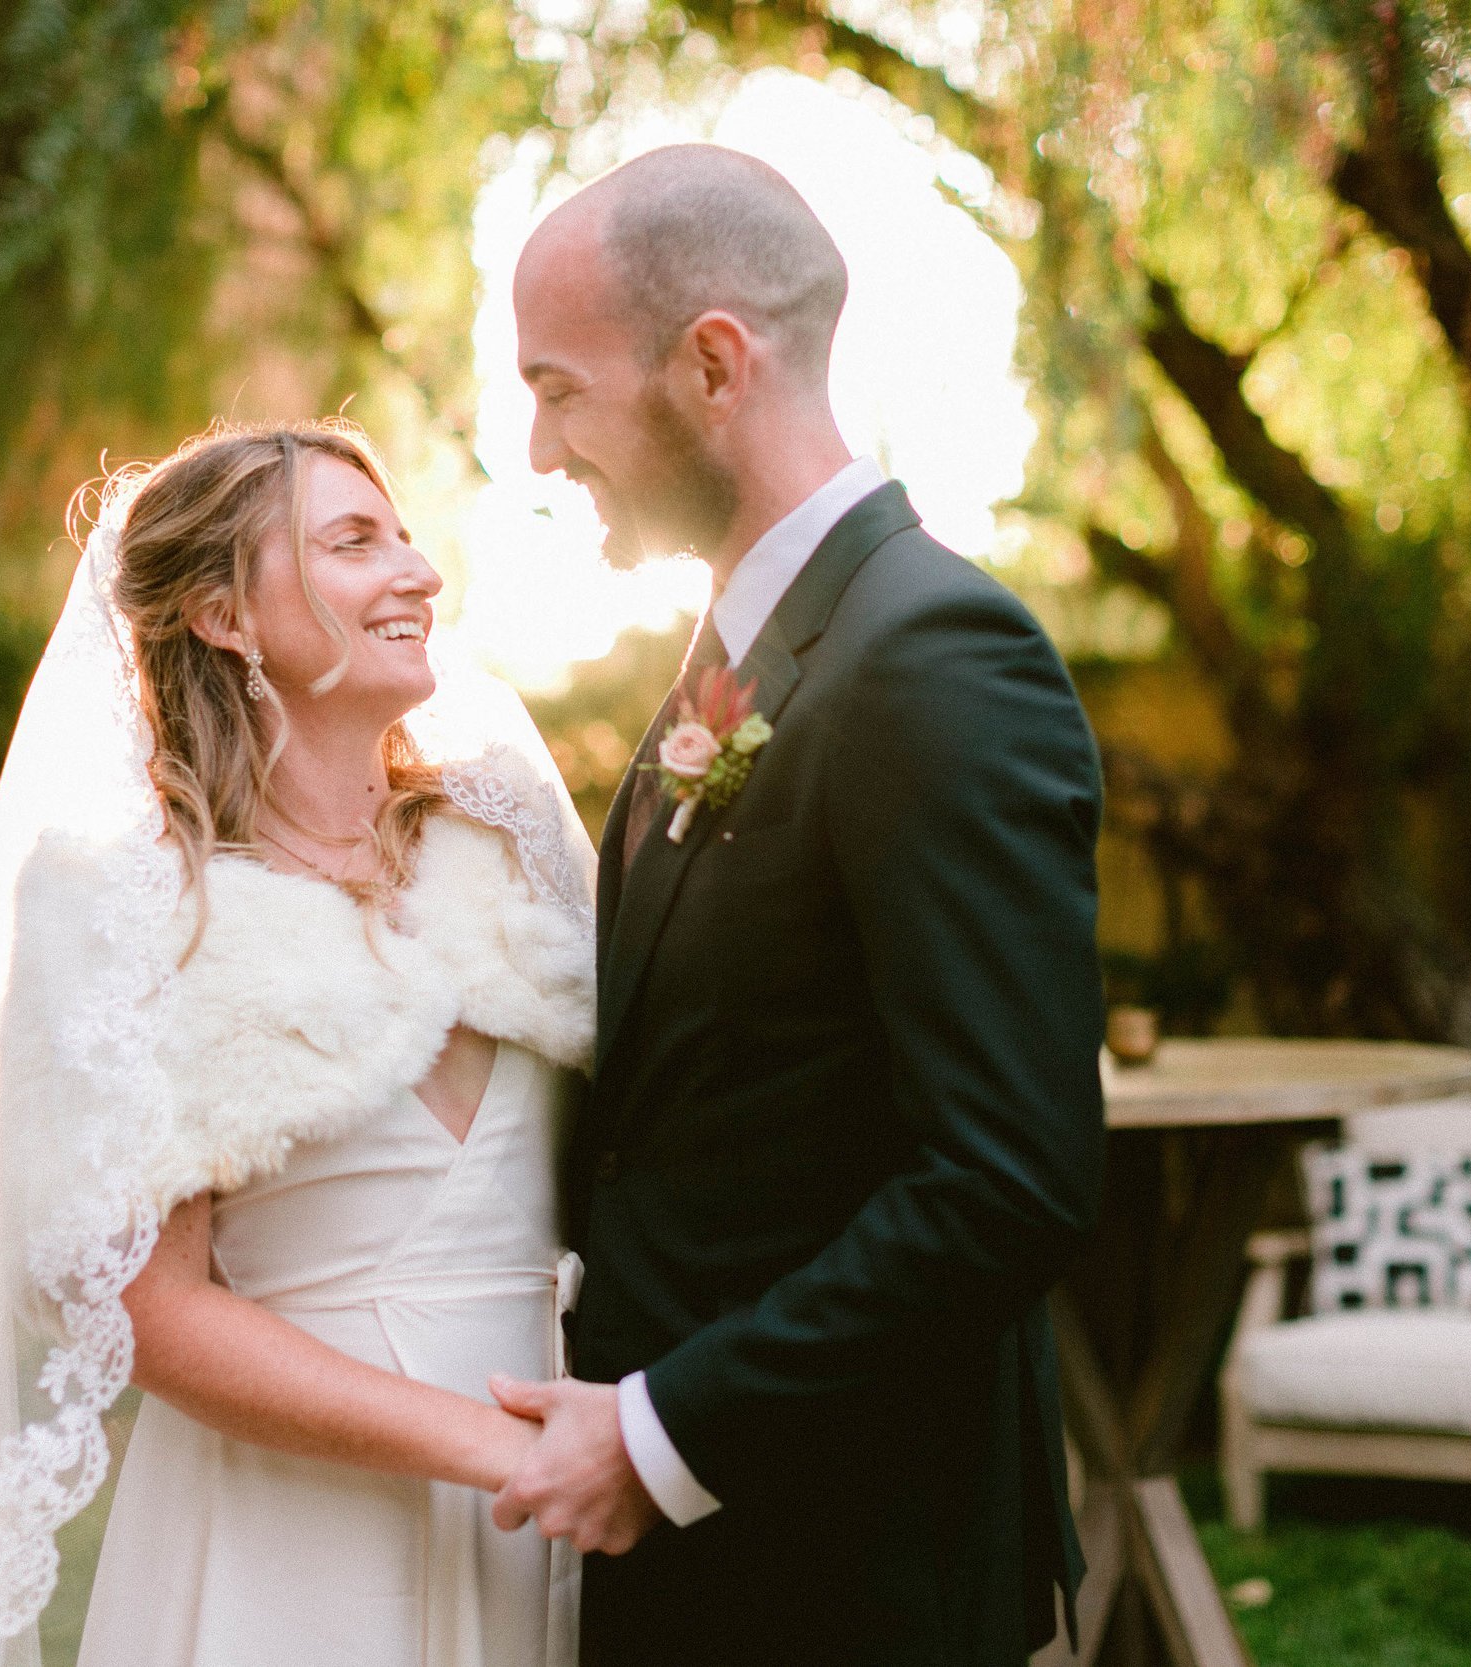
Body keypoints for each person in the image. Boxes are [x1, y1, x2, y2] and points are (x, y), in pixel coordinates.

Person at [487, 144, 1108, 1666]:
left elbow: (1009, 1179)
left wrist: (662, 1430)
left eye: (559, 388)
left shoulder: (934, 657)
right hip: (720, 1563)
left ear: (712, 363)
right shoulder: (749, 654)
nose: (538, 449)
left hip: (852, 1567)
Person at [0, 422, 598, 1667]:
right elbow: (145, 1306)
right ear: (224, 614)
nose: (419, 571)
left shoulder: (505, 853)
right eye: (353, 541)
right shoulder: (132, 909)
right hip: (297, 1547)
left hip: (563, 1502)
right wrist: (489, 1443)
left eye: (403, 534)